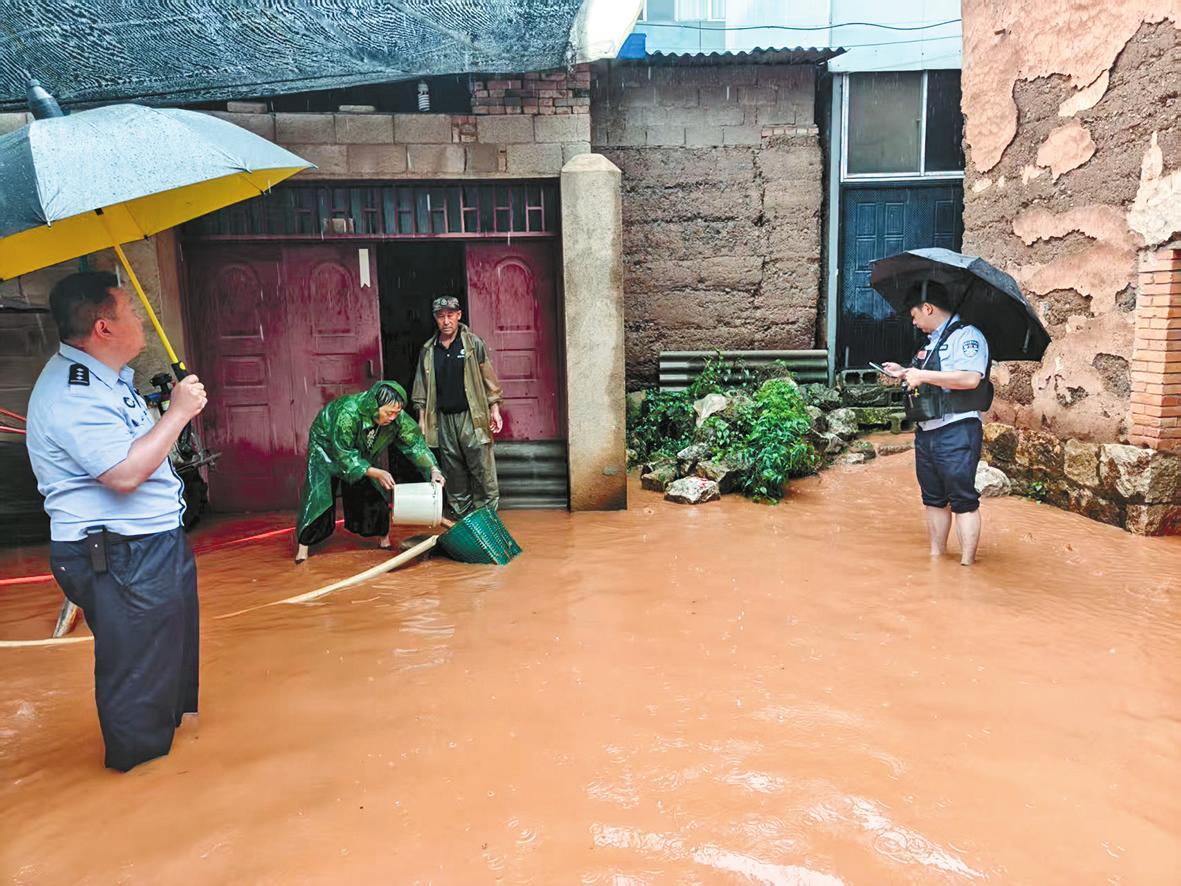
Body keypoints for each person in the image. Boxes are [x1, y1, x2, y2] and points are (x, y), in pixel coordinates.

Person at [26, 271, 207, 771]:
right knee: (138, 675)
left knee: (166, 661)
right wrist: (177, 413)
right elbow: (123, 474)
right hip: (120, 552)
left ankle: (172, 771)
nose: (142, 318)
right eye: (131, 310)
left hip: (148, 544)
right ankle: (141, 779)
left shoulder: (109, 380)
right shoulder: (73, 392)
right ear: (103, 328)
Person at [881, 280, 993, 566]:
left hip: (957, 428)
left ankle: (967, 566)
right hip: (927, 430)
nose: (914, 322)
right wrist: (904, 372)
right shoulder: (932, 343)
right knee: (933, 498)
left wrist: (921, 375)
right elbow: (929, 376)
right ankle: (936, 559)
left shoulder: (967, 336)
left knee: (962, 500)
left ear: (928, 308)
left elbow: (970, 378)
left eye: (914, 315)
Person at [295, 380, 444, 562]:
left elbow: (415, 444)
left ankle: (383, 538)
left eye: (397, 413)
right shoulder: (348, 413)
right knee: (319, 495)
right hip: (326, 448)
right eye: (388, 413)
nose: (393, 418)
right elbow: (343, 453)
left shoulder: (396, 417)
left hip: (361, 450)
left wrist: (433, 469)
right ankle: (303, 547)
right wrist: (375, 472)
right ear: (374, 405)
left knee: (373, 489)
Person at [411, 296, 504, 519]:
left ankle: (486, 518)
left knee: (482, 467)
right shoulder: (428, 350)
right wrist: (422, 419)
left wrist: (494, 409)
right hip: (444, 419)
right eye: (441, 316)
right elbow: (421, 387)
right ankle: (462, 518)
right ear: (435, 318)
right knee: (453, 471)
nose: (446, 321)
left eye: (450, 315)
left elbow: (488, 378)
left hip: (472, 415)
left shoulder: (472, 344)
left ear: (459, 315)